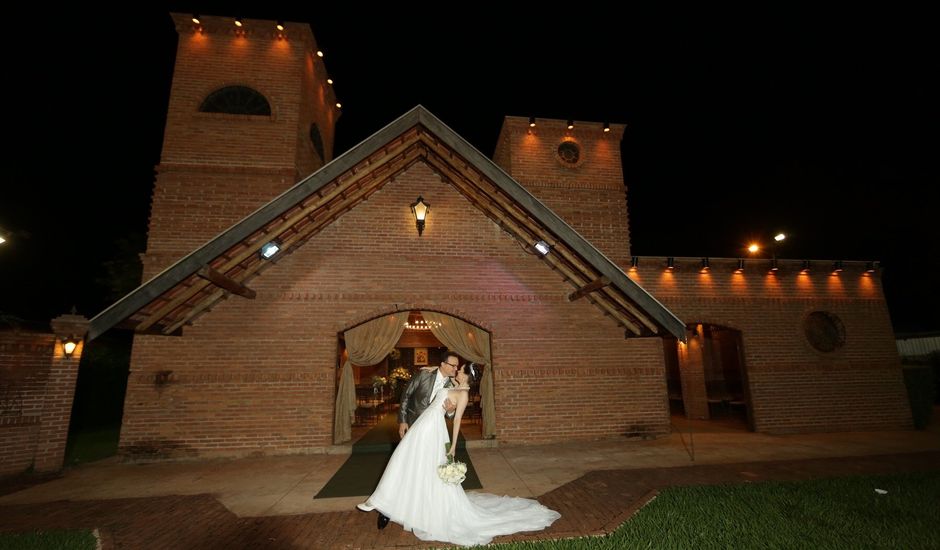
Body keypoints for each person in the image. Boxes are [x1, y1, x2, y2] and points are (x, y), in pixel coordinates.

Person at [356, 363, 561, 546]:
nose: (456, 370)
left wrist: (453, 446)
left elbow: (455, 422)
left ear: (465, 376)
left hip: (432, 431)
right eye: (454, 367)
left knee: (408, 462)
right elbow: (437, 384)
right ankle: (387, 502)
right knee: (406, 461)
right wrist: (431, 368)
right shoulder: (452, 384)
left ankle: (384, 502)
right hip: (421, 426)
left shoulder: (462, 393)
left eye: (459, 370)